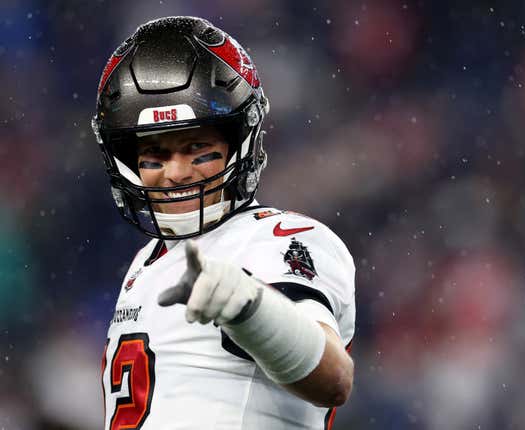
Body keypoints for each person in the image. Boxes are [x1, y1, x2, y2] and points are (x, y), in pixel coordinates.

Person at [92, 16, 355, 430]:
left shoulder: (277, 237)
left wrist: (248, 306)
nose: (175, 172)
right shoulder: (147, 261)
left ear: (241, 143)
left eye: (196, 147)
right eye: (154, 155)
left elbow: (334, 377)